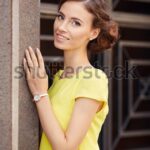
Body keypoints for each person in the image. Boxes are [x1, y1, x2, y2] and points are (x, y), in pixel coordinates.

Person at [23, 0, 119, 149]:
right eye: (61, 17)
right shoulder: (59, 77)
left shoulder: (93, 79)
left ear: (93, 33)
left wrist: (40, 93)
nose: (61, 27)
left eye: (75, 23)